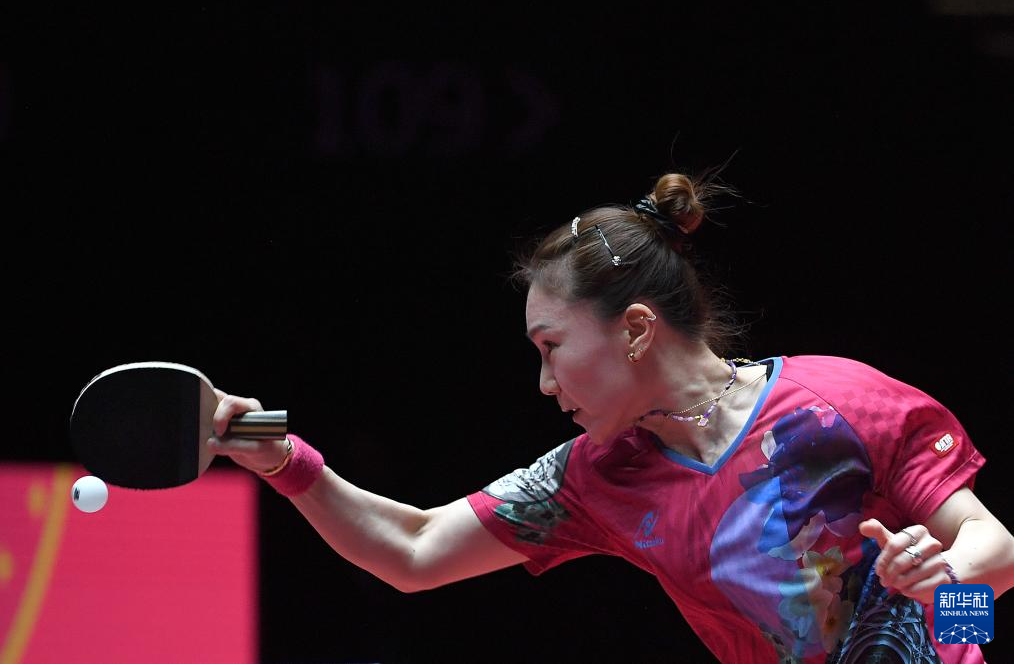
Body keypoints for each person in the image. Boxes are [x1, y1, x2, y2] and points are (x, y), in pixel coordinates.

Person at [208, 171, 1014, 663]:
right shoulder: (598, 476)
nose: (544, 383)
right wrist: (280, 459)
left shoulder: (842, 401)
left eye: (551, 347)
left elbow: (1000, 564)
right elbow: (414, 550)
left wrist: (948, 583)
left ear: (634, 329)